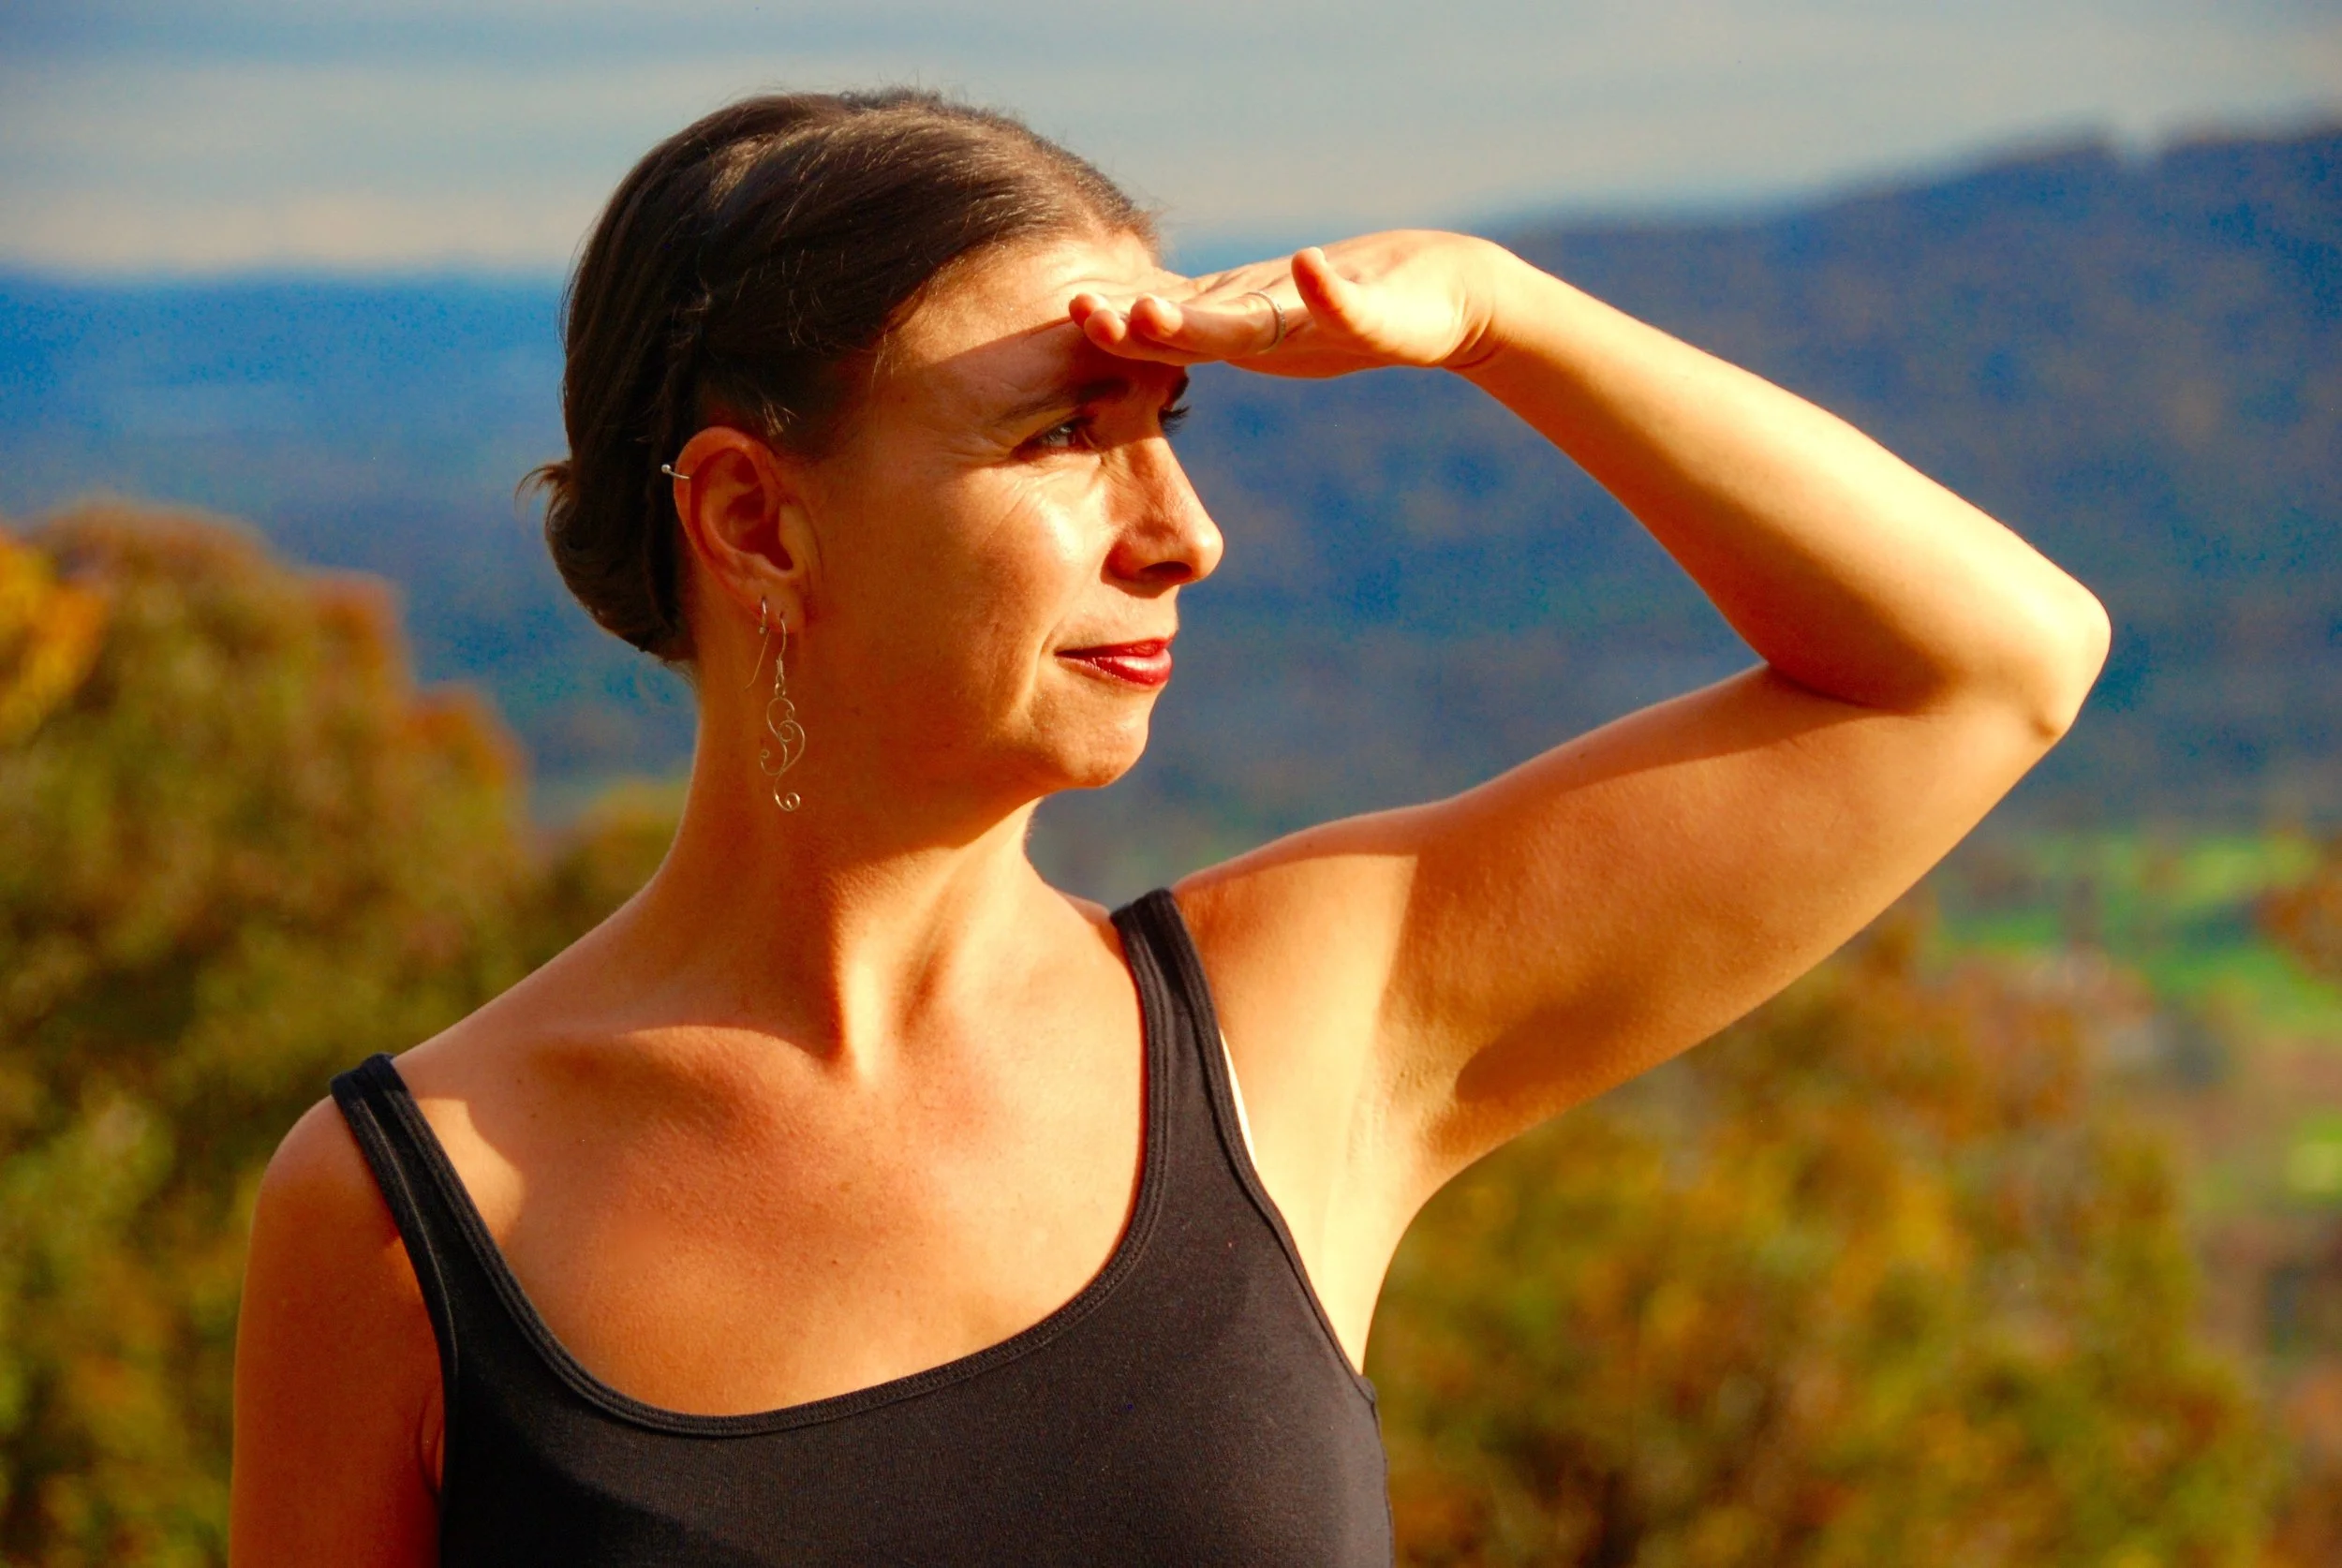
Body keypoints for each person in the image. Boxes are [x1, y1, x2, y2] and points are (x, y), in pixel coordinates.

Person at [227, 89, 2109, 1565]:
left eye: (1171, 423)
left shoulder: (1306, 1019)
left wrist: (1496, 314)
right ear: (751, 525)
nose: (1180, 531)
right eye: (1063, 432)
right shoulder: (403, 1212)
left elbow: (1986, 664)